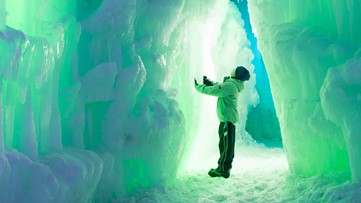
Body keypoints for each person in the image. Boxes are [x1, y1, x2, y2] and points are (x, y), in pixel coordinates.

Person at [194, 66, 250, 178]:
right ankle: (221, 167)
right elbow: (220, 87)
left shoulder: (231, 86)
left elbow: (215, 90)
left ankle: (224, 170)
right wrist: (210, 82)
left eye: (235, 69)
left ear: (236, 74)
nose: (232, 69)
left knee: (227, 146)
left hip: (227, 121)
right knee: (224, 145)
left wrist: (198, 87)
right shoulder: (232, 84)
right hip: (226, 120)